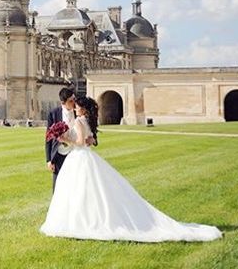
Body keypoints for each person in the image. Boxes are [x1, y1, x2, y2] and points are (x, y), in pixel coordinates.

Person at [40, 96, 222, 242]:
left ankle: (80, 221)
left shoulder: (79, 121)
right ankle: (85, 219)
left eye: (77, 106)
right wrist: (83, 140)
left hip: (78, 157)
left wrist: (65, 140)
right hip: (86, 157)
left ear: (82, 108)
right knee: (91, 190)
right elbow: (91, 141)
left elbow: (79, 142)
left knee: (78, 191)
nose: (75, 107)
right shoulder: (87, 121)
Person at [45, 87, 76, 192]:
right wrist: (49, 160)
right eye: (71, 101)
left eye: (74, 99)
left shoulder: (78, 113)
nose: (74, 103)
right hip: (58, 155)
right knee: (57, 187)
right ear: (63, 102)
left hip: (75, 153)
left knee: (74, 185)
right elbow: (48, 138)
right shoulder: (53, 114)